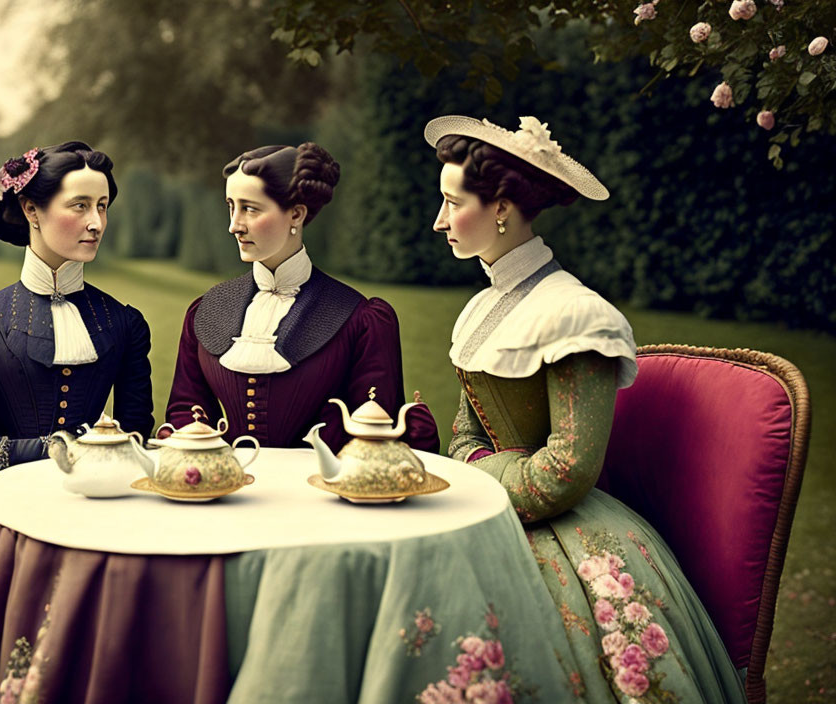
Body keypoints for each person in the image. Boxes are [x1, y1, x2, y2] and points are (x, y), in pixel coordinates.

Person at [425, 115, 746, 701]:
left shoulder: (575, 315)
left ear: (500, 208)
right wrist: (474, 472)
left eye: (452, 201)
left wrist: (481, 486)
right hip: (492, 503)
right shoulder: (478, 310)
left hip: (562, 526)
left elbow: (568, 469)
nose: (439, 219)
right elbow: (465, 434)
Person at [165, 142, 438, 452]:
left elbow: (374, 432)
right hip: (227, 489)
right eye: (231, 206)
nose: (234, 226)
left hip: (324, 492)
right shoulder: (206, 311)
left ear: (295, 214)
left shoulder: (361, 320)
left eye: (250, 209)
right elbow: (186, 410)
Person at [0, 142, 154, 533]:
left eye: (102, 206)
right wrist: (49, 448)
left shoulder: (125, 324)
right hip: (3, 509)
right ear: (31, 209)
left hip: (100, 511)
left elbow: (137, 437)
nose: (97, 223)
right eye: (80, 205)